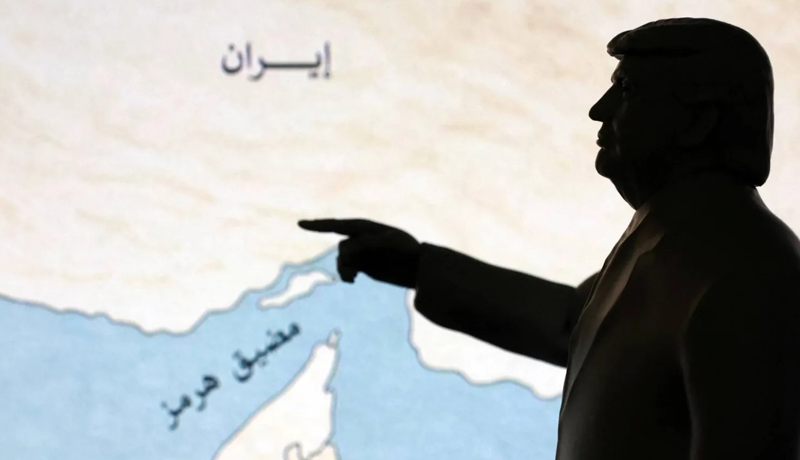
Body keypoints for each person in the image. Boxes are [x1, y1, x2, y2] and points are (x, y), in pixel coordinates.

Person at [298, 18, 800, 459]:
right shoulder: (672, 240)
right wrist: (417, 267)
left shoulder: (749, 271)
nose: (598, 110)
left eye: (626, 90)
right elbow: (570, 322)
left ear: (698, 122)